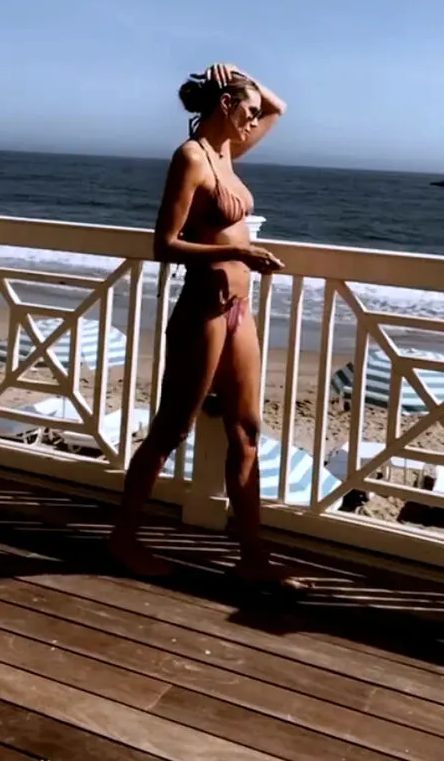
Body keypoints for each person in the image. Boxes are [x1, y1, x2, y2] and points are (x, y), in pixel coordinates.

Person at [109, 63, 292, 584]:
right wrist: (239, 252)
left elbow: (279, 107)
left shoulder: (228, 152)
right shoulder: (191, 157)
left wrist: (240, 73)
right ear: (226, 106)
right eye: (247, 110)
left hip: (239, 310)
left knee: (247, 432)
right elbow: (164, 244)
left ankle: (252, 558)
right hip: (202, 310)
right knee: (171, 428)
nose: (254, 119)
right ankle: (123, 539)